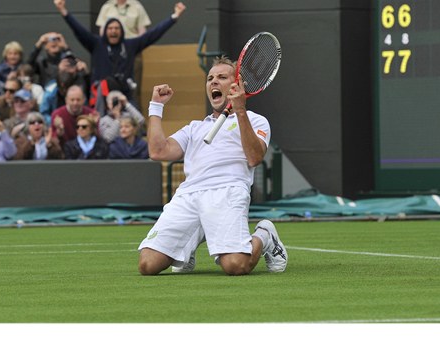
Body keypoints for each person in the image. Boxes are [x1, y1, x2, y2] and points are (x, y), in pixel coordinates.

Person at [137, 57, 288, 276]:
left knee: (236, 266)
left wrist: (240, 110)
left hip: (227, 193)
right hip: (189, 196)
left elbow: (254, 157)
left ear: (237, 85)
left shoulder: (256, 121)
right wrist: (156, 106)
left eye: (222, 77)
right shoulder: (194, 128)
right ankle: (186, 247)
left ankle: (265, 236)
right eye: (210, 78)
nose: (213, 82)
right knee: (147, 265)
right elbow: (158, 151)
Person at [53, 0, 186, 104]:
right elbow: (78, 30)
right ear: (105, 30)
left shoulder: (129, 45)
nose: (113, 31)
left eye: (116, 28)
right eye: (110, 28)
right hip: (100, 95)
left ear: (121, 31)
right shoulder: (96, 44)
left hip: (125, 95)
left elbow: (152, 34)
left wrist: (174, 17)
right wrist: (63, 11)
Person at [40, 50, 90, 124]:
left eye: (71, 63)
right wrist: (54, 122)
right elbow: (43, 114)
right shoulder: (52, 88)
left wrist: (86, 73)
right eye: (65, 62)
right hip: (56, 124)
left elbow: (87, 108)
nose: (68, 65)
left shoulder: (80, 84)